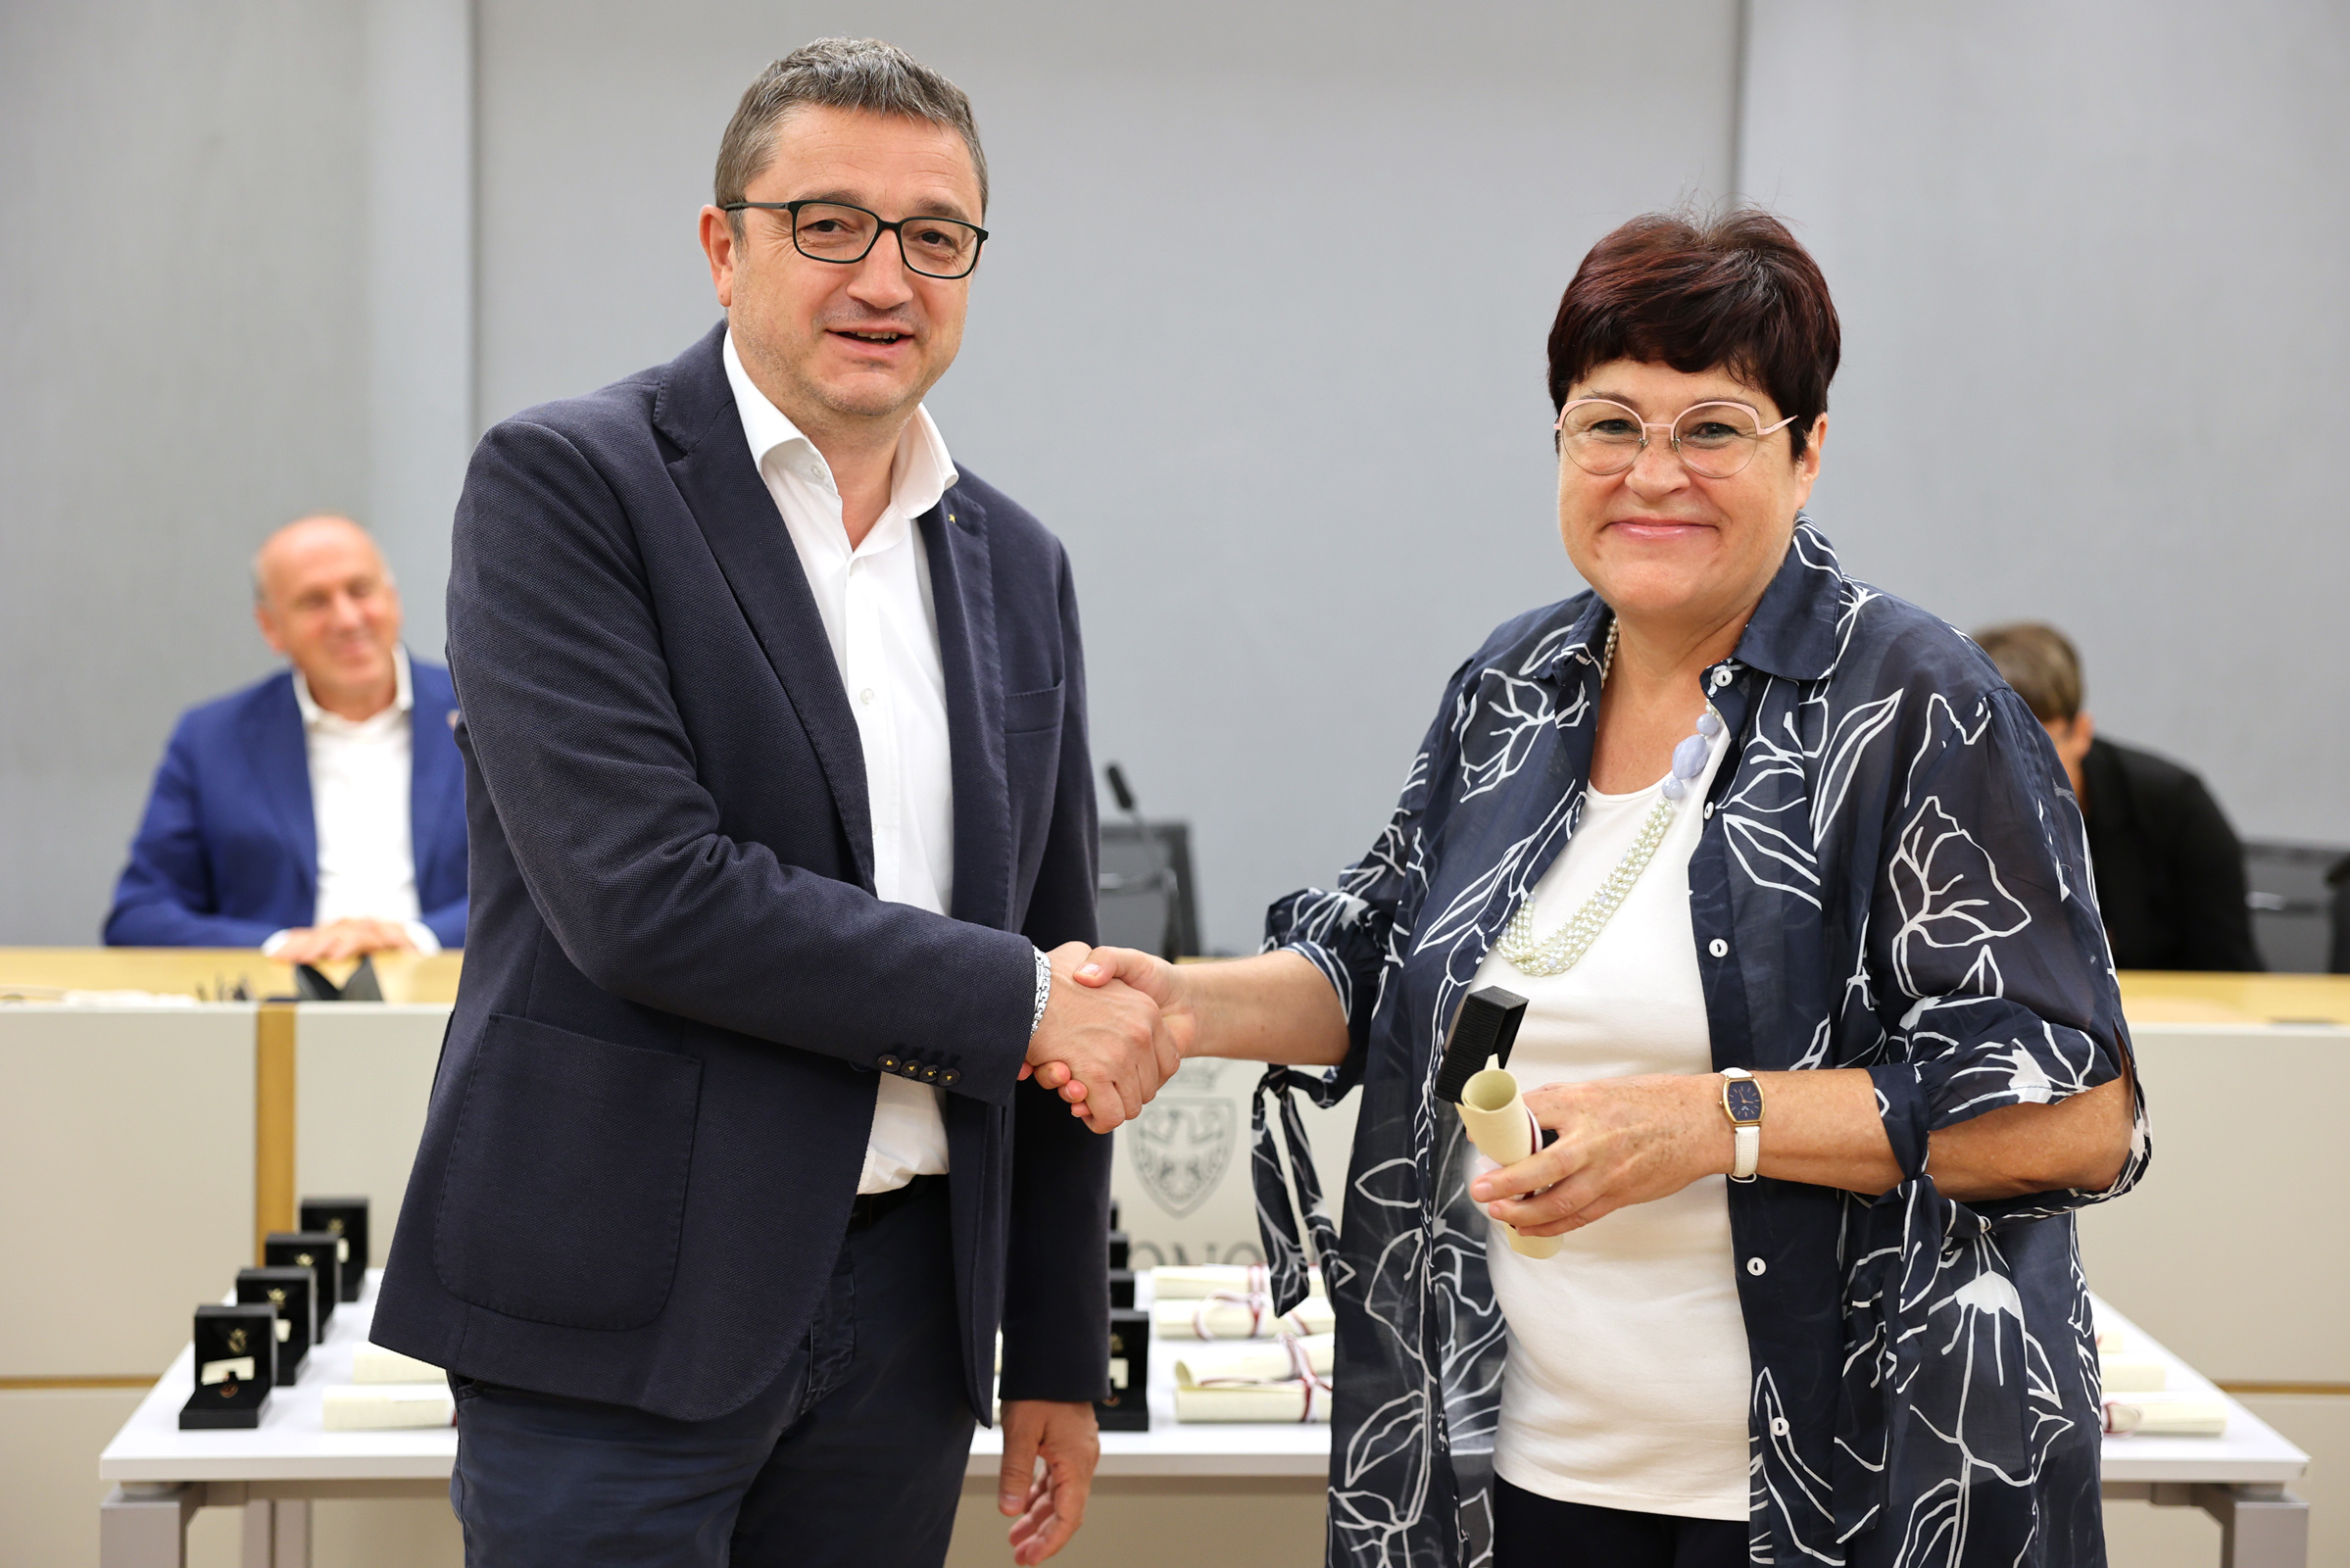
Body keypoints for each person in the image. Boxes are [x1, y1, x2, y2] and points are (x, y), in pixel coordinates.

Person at [1058, 212, 2145, 1567]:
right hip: (1520, 1472)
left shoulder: (1918, 706)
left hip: (1842, 1493)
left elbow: (2076, 1121)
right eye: (1610, 424)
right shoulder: (1514, 687)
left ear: (1807, 451)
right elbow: (1386, 960)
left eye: (1713, 428)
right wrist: (1183, 1006)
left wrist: (1709, 1123)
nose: (1653, 472)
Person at [372, 40, 1174, 1568]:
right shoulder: (570, 485)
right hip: (620, 1305)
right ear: (722, 246)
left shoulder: (1017, 563)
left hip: (908, 1329)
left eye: (933, 236)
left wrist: (1060, 1346)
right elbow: (646, 895)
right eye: (829, 224)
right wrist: (1020, 1001)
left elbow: (1061, 941)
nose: (885, 277)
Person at [103, 514, 466, 960]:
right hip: (282, 994)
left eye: (360, 590)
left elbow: (536, 890)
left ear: (393, 599)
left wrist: (418, 938)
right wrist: (281, 947)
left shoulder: (484, 717)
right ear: (270, 627)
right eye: (314, 601)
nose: (347, 619)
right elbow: (139, 916)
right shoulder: (211, 740)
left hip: (450, 991)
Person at [1976, 621, 2263, 971]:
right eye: (1992, 746)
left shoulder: (2175, 807)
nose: (2012, 768)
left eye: (2034, 745)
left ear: (2081, 733)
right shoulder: (1944, 805)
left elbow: (2230, 971)